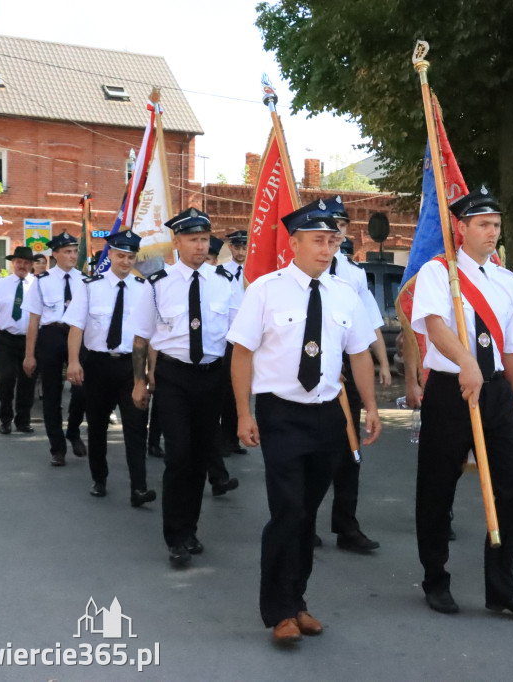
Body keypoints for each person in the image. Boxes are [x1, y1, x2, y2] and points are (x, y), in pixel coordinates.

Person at [228, 198, 381, 643]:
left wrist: (370, 406)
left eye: (332, 240)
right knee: (288, 510)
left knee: (307, 514)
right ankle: (278, 611)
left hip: (328, 415)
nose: (326, 248)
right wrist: (243, 412)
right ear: (293, 242)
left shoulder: (345, 293)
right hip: (282, 414)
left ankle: (297, 602)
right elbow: (241, 353)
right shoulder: (265, 289)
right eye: (318, 240)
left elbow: (358, 354)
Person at [411, 186, 513, 620]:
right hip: (451, 390)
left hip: (495, 393)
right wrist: (466, 361)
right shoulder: (439, 273)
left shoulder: (507, 281)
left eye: (497, 225)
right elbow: (435, 326)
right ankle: (436, 578)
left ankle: (501, 586)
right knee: (437, 487)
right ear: (462, 227)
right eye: (484, 224)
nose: (492, 232)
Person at [131, 207, 241, 568]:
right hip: (174, 376)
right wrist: (139, 382)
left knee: (199, 455)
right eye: (192, 239)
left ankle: (190, 529)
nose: (199, 245)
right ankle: (174, 537)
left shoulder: (224, 283)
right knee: (178, 456)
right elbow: (140, 338)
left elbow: (241, 337)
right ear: (176, 242)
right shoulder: (158, 283)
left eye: (204, 239)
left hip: (211, 376)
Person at [64, 229, 156, 507]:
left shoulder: (145, 289)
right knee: (97, 425)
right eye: (120, 256)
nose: (125, 261)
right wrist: (73, 361)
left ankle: (138, 488)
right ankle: (99, 478)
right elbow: (76, 327)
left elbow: (151, 333)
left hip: (132, 366)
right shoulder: (90, 286)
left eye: (130, 257)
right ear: (110, 255)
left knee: (136, 427)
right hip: (98, 365)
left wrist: (150, 370)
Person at [321, 195, 390, 552]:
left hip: (347, 367)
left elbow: (368, 324)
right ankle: (302, 522)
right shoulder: (296, 270)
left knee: (350, 451)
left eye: (340, 227)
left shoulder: (354, 275)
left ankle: (346, 526)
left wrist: (381, 363)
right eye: (328, 227)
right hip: (310, 370)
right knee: (313, 453)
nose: (334, 234)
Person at [22, 231, 88, 466]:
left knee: (82, 389)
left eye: (74, 251)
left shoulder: (85, 280)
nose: (72, 255)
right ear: (56, 254)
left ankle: (73, 431)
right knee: (52, 392)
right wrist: (29, 355)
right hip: (51, 334)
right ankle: (57, 447)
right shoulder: (42, 281)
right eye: (68, 252)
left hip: (77, 334)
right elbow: (33, 321)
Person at [0, 246, 37, 435]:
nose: (22, 265)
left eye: (26, 262)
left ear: (31, 265)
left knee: (28, 380)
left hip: (30, 340)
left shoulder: (38, 285)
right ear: (13, 263)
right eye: (19, 262)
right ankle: (5, 418)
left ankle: (23, 420)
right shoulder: (0, 285)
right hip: (5, 339)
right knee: (7, 377)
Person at [201, 234, 241, 496]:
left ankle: (218, 477)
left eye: (210, 258)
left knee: (208, 421)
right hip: (180, 366)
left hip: (215, 357)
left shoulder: (221, 283)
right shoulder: (171, 283)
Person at [219, 229, 248, 456]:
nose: (241, 252)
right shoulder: (221, 273)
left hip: (248, 340)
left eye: (244, 247)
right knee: (226, 392)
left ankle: (234, 438)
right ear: (230, 248)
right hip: (227, 340)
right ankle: (223, 439)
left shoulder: (256, 273)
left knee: (243, 391)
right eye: (237, 247)